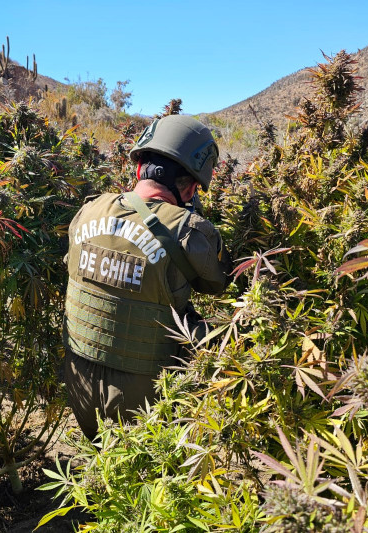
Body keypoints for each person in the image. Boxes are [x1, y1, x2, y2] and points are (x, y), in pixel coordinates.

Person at [63, 114, 232, 440]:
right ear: (193, 185)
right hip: (145, 392)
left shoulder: (89, 209)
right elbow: (219, 282)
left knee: (103, 472)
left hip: (78, 379)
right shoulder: (188, 228)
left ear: (139, 168)